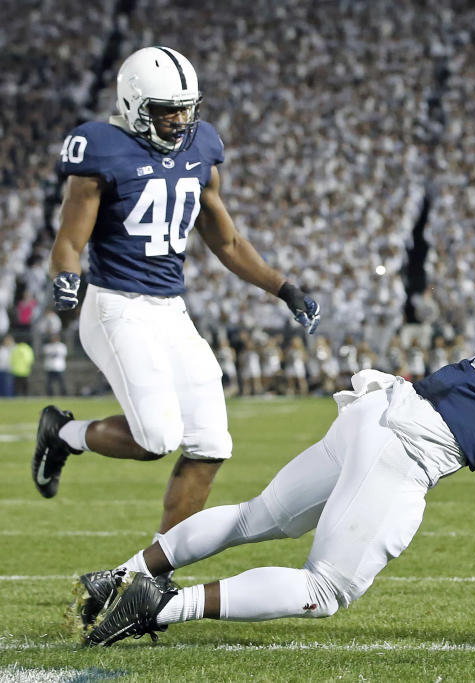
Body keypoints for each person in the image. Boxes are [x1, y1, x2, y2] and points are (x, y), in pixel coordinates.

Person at [68, 225, 475, 647]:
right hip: (410, 444)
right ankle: (156, 604)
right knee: (326, 587)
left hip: (383, 412)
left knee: (257, 517)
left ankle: (123, 574)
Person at [33, 45, 322, 549]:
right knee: (156, 440)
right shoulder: (99, 147)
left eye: (187, 109)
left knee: (211, 442)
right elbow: (70, 240)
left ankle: (153, 571)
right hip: (115, 305)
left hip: (170, 309)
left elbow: (226, 241)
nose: (181, 121)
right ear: (134, 104)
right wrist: (65, 277)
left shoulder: (201, 148)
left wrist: (283, 287)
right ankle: (63, 434)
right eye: (168, 111)